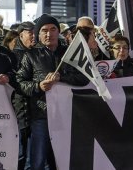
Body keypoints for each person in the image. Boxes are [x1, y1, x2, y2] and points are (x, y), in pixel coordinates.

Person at [14, 15, 85, 170]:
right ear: (38, 34)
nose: (49, 34)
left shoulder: (70, 53)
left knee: (64, 160)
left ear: (58, 32)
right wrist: (38, 86)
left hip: (68, 115)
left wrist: (62, 77)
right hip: (41, 116)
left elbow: (84, 78)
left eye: (53, 29)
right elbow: (19, 83)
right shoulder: (30, 55)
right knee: (37, 162)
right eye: (44, 30)